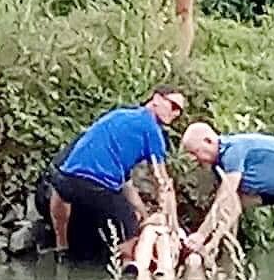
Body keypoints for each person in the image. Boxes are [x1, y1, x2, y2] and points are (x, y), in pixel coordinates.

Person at [50, 87, 185, 259]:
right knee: (132, 238)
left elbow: (126, 185)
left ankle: (61, 249)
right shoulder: (152, 130)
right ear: (156, 99)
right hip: (98, 187)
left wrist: (144, 214)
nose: (175, 113)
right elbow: (162, 182)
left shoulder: (118, 115)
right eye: (173, 106)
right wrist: (169, 222)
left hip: (67, 180)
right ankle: (125, 270)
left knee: (61, 190)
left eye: (179, 111)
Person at [180, 122, 274, 278]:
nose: (196, 159)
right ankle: (227, 269)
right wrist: (212, 242)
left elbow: (224, 198)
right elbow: (232, 207)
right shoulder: (219, 165)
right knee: (232, 211)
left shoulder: (232, 151)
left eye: (196, 152)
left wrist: (201, 235)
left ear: (208, 141)